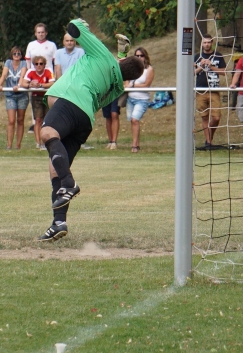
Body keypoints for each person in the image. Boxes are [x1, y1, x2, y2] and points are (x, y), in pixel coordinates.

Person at [37, 19, 145, 241]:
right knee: (55, 168)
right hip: (84, 120)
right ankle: (59, 223)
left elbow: (73, 29)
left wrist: (79, 22)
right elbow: (117, 66)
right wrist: (122, 54)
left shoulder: (102, 55)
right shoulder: (116, 86)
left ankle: (70, 184)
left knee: (46, 133)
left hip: (70, 102)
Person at [194, 35, 227, 149]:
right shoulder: (197, 57)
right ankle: (208, 142)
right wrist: (201, 66)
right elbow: (192, 72)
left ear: (212, 42)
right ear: (202, 43)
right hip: (200, 90)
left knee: (216, 117)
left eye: (209, 42)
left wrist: (211, 66)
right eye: (204, 42)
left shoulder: (218, 55)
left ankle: (210, 137)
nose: (207, 44)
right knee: (204, 117)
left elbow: (224, 72)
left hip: (214, 90)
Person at [0, 47, 28, 150]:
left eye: (19, 54)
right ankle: (9, 145)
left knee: (20, 119)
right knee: (11, 120)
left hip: (22, 95)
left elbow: (22, 76)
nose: (17, 55)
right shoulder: (8, 62)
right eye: (15, 54)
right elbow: (4, 75)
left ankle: (18, 145)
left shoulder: (23, 63)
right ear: (11, 55)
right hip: (10, 95)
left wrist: (19, 86)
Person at [21, 55, 55, 149]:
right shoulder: (30, 71)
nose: (38, 66)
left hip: (46, 97)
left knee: (47, 120)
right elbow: (23, 83)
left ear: (44, 65)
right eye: (36, 64)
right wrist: (30, 85)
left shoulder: (48, 71)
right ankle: (38, 142)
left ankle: (47, 141)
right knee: (38, 120)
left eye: (41, 64)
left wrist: (41, 85)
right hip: (36, 97)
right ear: (34, 65)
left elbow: (52, 83)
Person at [125, 47, 154, 153]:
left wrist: (133, 85)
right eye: (137, 56)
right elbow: (126, 83)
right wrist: (130, 85)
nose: (139, 58)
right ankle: (136, 143)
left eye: (141, 56)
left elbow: (146, 85)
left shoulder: (149, 69)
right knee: (132, 121)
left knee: (134, 120)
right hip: (131, 98)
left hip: (142, 100)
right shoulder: (132, 68)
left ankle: (134, 146)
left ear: (145, 57)